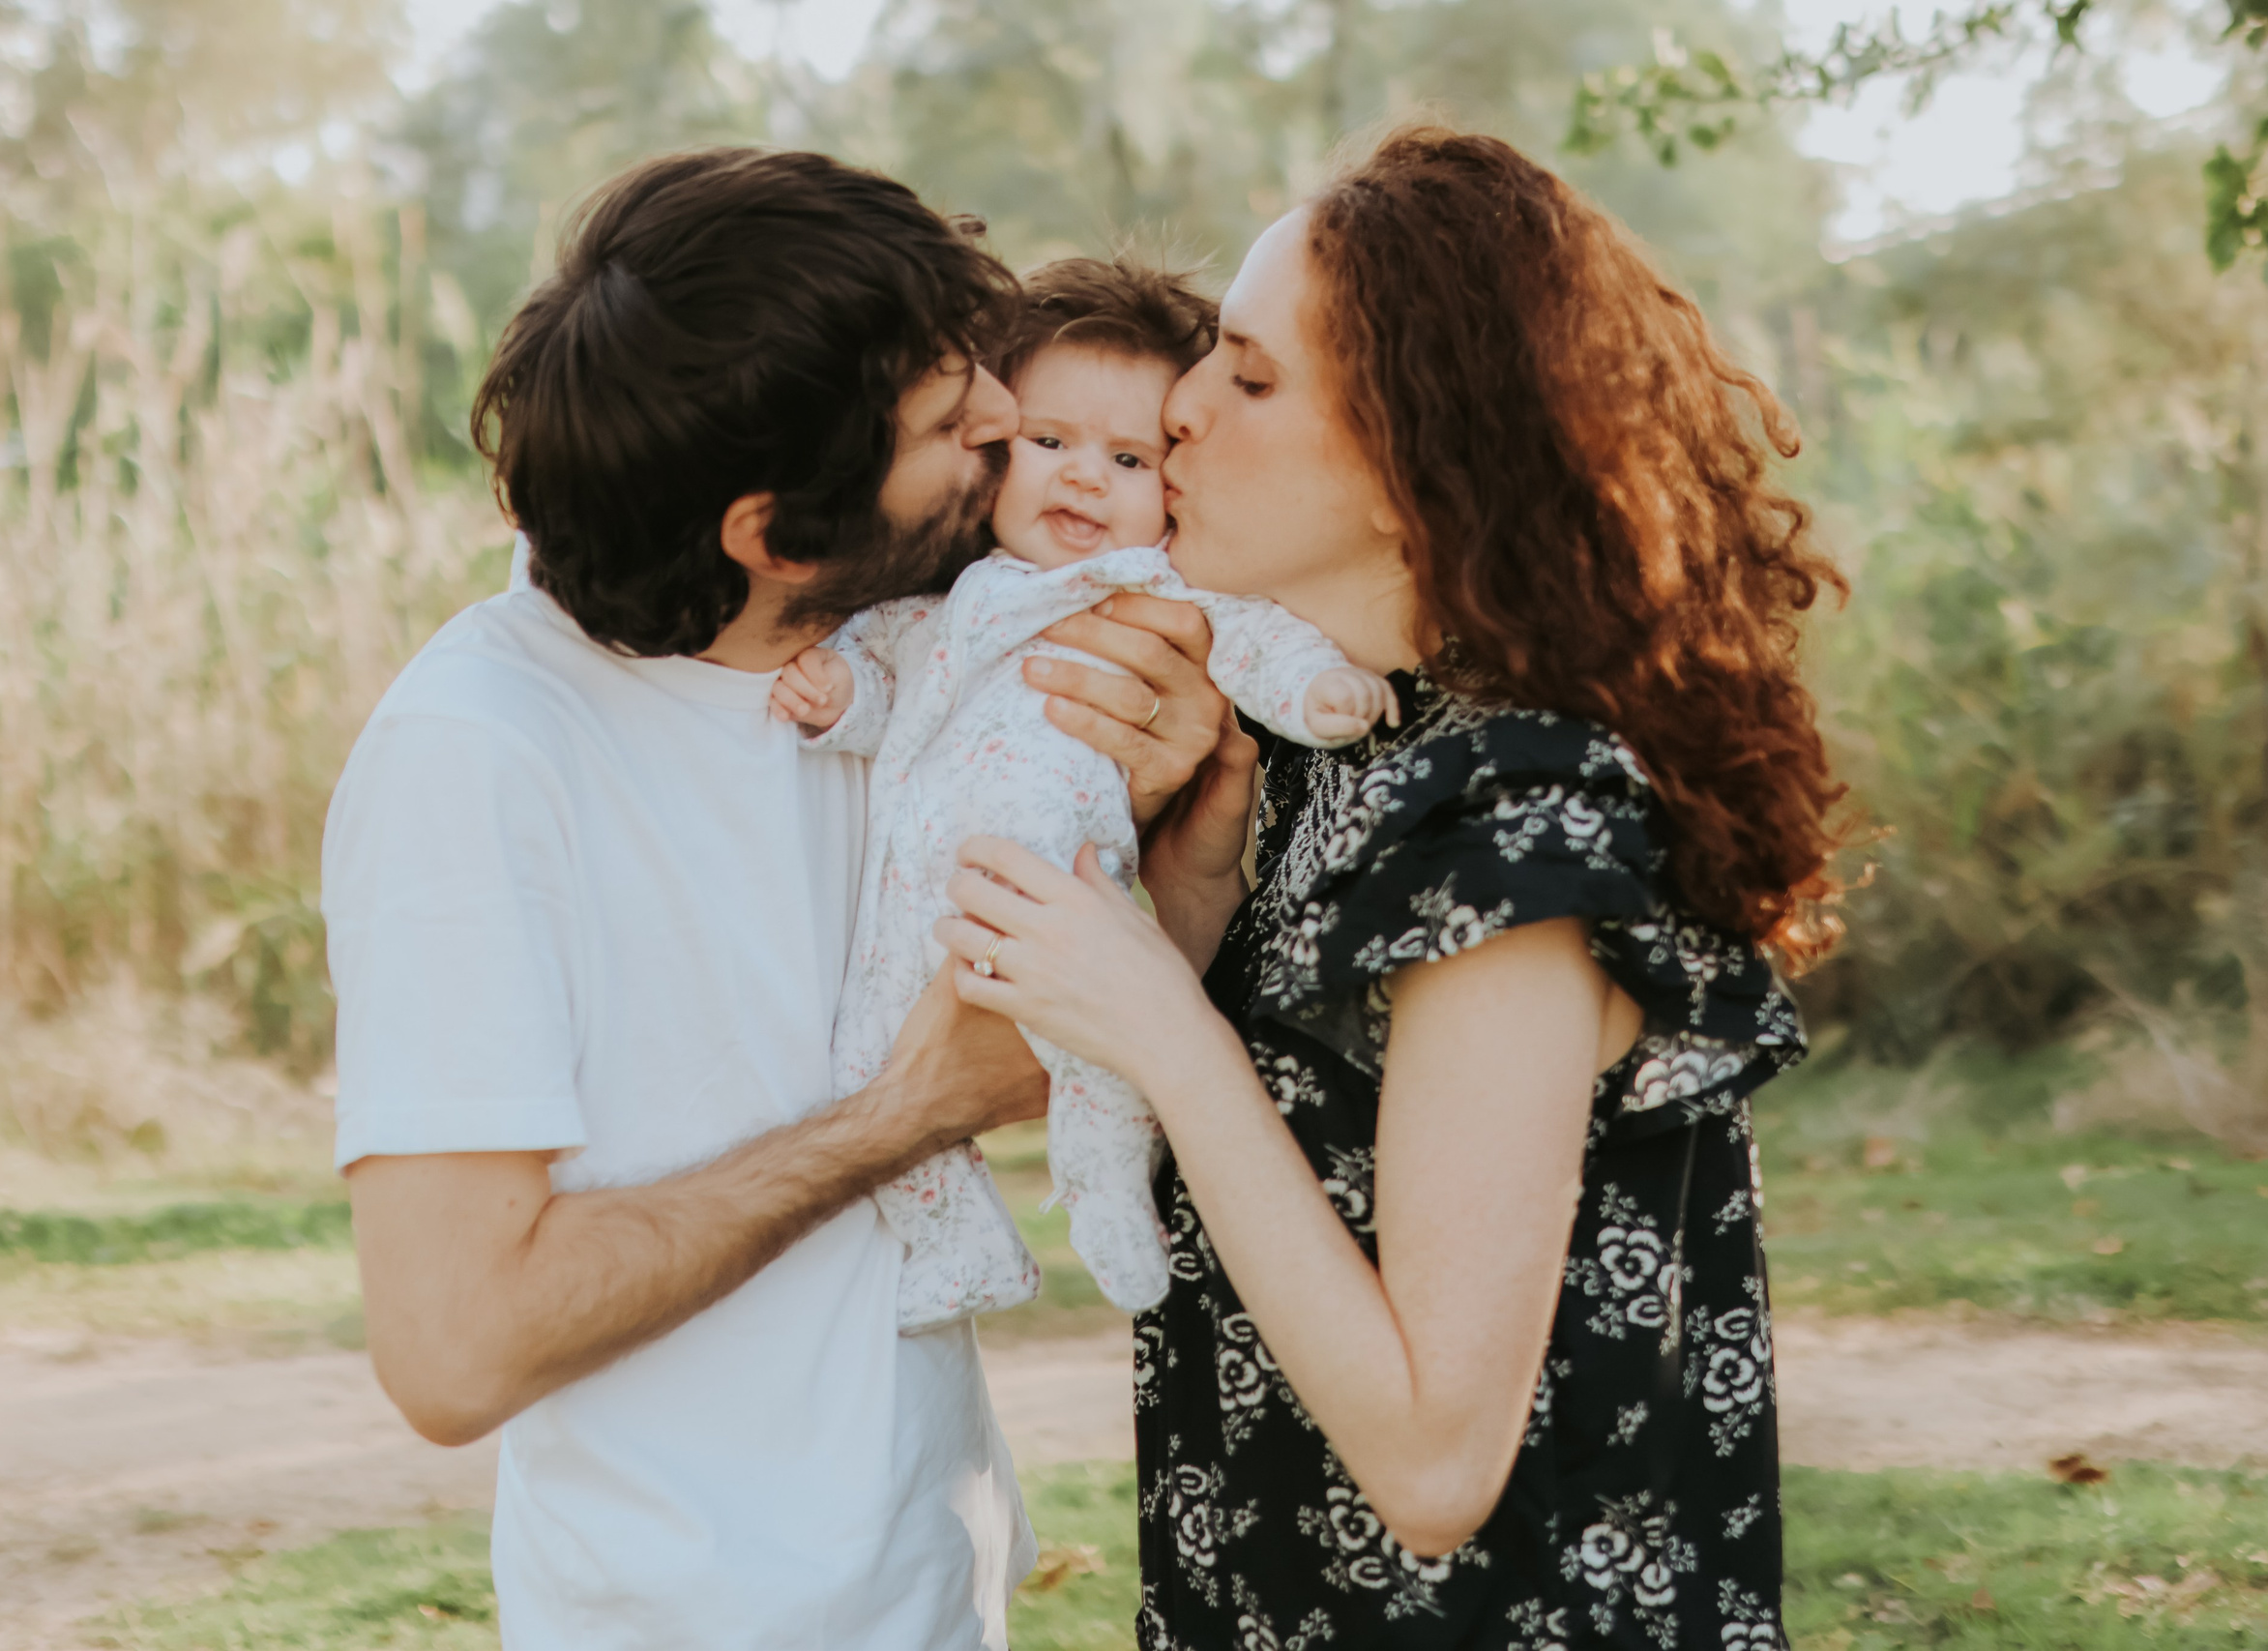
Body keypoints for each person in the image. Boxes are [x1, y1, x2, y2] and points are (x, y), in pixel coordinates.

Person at [928, 127, 1849, 1650]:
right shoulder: (1339, 745)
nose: (1181, 410)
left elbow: (1435, 1459)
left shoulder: (1514, 824)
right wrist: (1193, 874)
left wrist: (1161, 1019)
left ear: (1420, 451)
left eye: (1248, 374)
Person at [320, 148, 1227, 1651]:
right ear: (769, 531)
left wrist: (1189, 833)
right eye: (951, 419)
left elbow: (1063, 1025)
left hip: (934, 1585)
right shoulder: (477, 758)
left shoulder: (901, 659)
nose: (1008, 422)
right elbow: (453, 1348)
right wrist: (905, 1110)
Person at [770, 258, 1396, 1335]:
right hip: (914, 905)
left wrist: (1317, 688)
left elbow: (1252, 645)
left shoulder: (1160, 593)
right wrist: (839, 698)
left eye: (1127, 457)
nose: (1079, 479)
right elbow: (891, 683)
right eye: (1047, 444)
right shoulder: (948, 599)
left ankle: (1111, 1205)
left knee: (1097, 1064)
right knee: (867, 1068)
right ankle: (955, 1243)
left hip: (1070, 888)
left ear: (1172, 485)